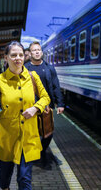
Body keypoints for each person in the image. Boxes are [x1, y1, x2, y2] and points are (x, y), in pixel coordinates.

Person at [0, 41, 50, 190]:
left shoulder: (33, 77)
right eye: (13, 55)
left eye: (21, 55)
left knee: (24, 179)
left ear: (25, 57)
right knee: (4, 178)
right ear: (6, 58)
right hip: (7, 136)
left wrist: (36, 108)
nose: (18, 58)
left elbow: (45, 98)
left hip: (28, 135)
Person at [25, 41, 64, 169]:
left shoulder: (49, 68)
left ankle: (41, 152)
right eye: (34, 50)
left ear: (41, 52)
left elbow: (55, 86)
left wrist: (60, 103)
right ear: (30, 53)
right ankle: (37, 157)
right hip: (31, 106)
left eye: (39, 50)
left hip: (47, 105)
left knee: (48, 133)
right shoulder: (25, 68)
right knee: (34, 133)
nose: (37, 52)